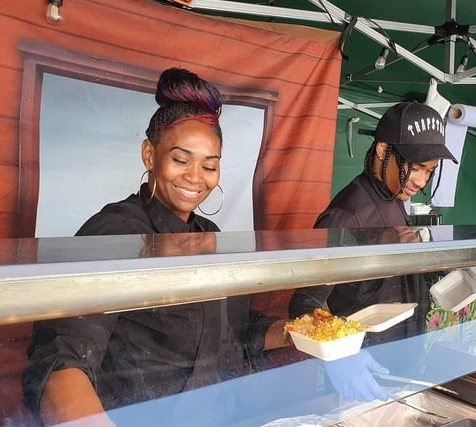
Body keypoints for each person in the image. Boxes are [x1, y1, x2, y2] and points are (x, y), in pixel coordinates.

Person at [22, 68, 287, 426]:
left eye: (209, 166)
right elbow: (63, 358)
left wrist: (298, 333)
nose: (196, 177)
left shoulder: (211, 235)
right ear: (150, 154)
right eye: (180, 160)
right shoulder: (114, 233)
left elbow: (232, 335)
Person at [289, 101, 458, 400]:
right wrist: (339, 358)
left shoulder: (394, 197)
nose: (421, 181)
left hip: (402, 364)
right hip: (363, 374)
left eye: (429, 172)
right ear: (383, 151)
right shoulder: (346, 216)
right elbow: (303, 302)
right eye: (416, 168)